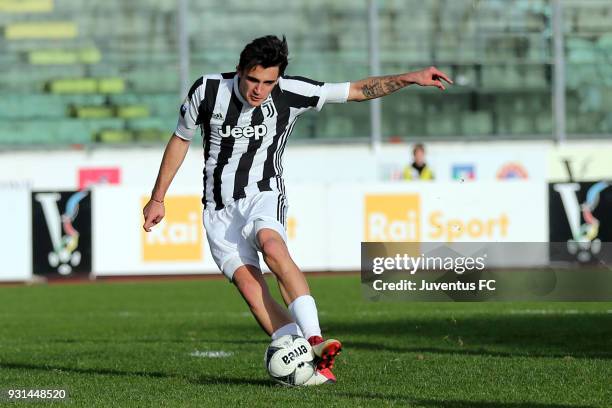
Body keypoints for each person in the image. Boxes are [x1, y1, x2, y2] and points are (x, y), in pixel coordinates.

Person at [142, 35, 452, 385]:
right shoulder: (207, 90)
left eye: (268, 82)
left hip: (263, 192)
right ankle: (303, 365)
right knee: (250, 287)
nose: (259, 90)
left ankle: (316, 341)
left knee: (272, 245)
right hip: (218, 210)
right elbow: (180, 139)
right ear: (240, 70)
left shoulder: (291, 91)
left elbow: (356, 89)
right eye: (253, 80)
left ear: (279, 78)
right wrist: (158, 197)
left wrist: (410, 78)